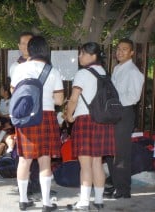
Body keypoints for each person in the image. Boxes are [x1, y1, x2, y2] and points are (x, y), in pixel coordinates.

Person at [11, 36, 64, 211]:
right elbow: (58, 100)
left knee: (24, 160)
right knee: (45, 160)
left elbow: (14, 92)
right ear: (45, 50)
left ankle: (23, 200)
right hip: (46, 116)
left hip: (26, 117)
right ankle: (47, 203)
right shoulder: (52, 71)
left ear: (30, 50)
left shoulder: (19, 69)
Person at [65, 42, 115, 210]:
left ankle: (84, 202)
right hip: (102, 121)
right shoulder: (104, 73)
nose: (80, 56)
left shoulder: (83, 73)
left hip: (86, 120)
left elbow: (74, 99)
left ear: (93, 56)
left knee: (85, 165)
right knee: (97, 163)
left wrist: (69, 116)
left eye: (83, 53)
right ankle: (99, 200)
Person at [104, 38, 144, 199]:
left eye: (124, 49)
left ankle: (123, 190)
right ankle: (115, 183)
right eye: (118, 49)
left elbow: (133, 97)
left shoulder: (134, 72)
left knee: (121, 153)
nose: (120, 52)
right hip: (114, 113)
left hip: (124, 113)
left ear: (132, 52)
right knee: (109, 150)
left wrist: (114, 103)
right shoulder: (118, 68)